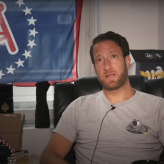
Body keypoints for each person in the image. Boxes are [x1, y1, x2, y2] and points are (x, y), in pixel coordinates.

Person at [40, 31, 164, 164]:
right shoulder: (78, 107)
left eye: (113, 56)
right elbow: (49, 155)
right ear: (95, 68)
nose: (106, 66)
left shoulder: (158, 108)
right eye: (99, 60)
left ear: (127, 61)